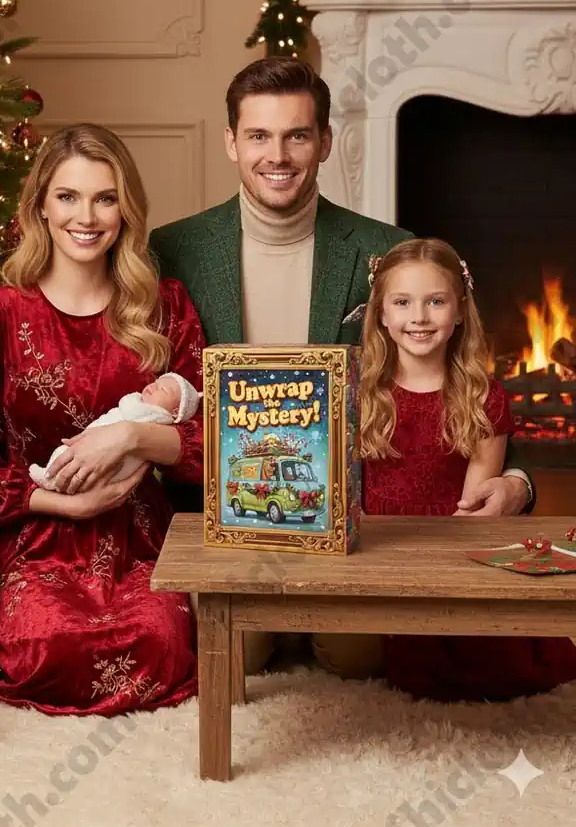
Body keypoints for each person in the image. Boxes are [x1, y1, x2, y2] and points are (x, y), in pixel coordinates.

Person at [148, 56, 536, 678]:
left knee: (355, 660)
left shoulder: (388, 250)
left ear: (325, 141)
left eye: (297, 134)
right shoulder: (172, 250)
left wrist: (518, 483)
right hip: (228, 514)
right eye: (259, 135)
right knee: (234, 659)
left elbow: (461, 386)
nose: (279, 154)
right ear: (231, 141)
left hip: (352, 525)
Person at [0, 123, 203, 716]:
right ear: (40, 205)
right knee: (49, 646)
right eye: (68, 196)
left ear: (126, 209)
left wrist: (131, 435)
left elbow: (213, 440)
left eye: (105, 197)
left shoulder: (164, 304)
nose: (86, 216)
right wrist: (63, 504)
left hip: (141, 535)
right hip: (36, 534)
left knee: (163, 642)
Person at [355, 238, 576, 700]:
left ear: (459, 311)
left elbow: (475, 515)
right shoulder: (358, 390)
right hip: (377, 554)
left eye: (436, 301)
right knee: (406, 667)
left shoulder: (483, 395)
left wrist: (442, 577)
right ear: (381, 314)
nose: (419, 317)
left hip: (454, 553)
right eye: (402, 302)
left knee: (489, 668)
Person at [29, 372, 200, 489]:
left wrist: (130, 434)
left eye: (162, 389)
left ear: (176, 412)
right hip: (90, 451)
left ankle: (50, 478)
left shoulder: (157, 416)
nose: (153, 387)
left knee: (71, 458)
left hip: (120, 475)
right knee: (68, 455)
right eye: (155, 382)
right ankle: (50, 477)